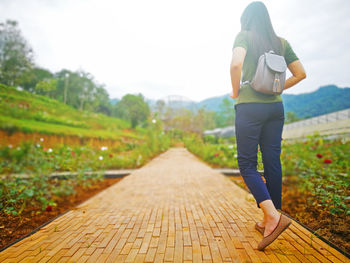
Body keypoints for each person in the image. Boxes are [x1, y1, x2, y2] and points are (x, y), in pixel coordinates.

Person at [229, 1, 306, 250]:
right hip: (276, 108)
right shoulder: (281, 42)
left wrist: (235, 92)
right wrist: (274, 88)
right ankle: (268, 219)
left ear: (247, 19)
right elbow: (301, 73)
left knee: (247, 164)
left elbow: (235, 64)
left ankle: (273, 217)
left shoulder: (244, 36)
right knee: (272, 162)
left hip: (250, 107)